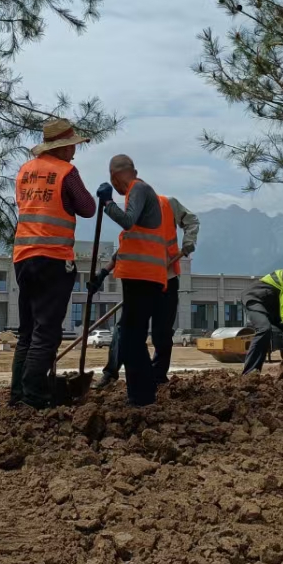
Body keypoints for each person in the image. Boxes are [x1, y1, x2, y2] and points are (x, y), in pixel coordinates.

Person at [10, 117, 96, 408]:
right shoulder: (66, 172)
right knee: (47, 332)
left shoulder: (25, 171)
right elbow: (87, 208)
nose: (74, 151)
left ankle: (17, 396)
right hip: (53, 258)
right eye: (71, 146)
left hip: (23, 257)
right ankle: (34, 398)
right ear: (61, 148)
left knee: (27, 331)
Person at [95, 194, 199, 391]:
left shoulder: (168, 204)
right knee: (125, 329)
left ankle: (158, 376)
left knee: (162, 331)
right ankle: (110, 373)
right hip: (140, 282)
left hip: (165, 279)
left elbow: (191, 219)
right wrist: (103, 272)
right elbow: (125, 249)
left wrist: (188, 243)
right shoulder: (132, 216)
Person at [95, 155, 172, 407]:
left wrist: (107, 202)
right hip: (139, 276)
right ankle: (142, 393)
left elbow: (126, 220)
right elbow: (131, 238)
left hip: (143, 277)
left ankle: (141, 397)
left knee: (132, 338)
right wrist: (104, 271)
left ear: (114, 177)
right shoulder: (139, 194)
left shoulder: (138, 188)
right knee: (131, 336)